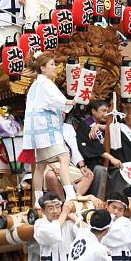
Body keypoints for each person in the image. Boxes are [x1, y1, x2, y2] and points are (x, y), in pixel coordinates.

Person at [21, 51, 75, 207]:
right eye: (52, 64)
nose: (54, 67)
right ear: (43, 68)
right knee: (64, 157)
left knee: (40, 166)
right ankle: (70, 193)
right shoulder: (45, 83)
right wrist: (72, 101)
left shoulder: (35, 85)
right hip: (47, 130)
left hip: (37, 133)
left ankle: (38, 200)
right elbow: (57, 100)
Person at [75, 100, 125, 197]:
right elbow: (92, 147)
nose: (106, 114)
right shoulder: (85, 126)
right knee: (100, 170)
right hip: (92, 165)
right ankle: (99, 200)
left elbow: (118, 130)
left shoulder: (105, 125)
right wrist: (111, 158)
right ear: (93, 111)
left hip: (111, 164)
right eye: (103, 111)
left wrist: (101, 126)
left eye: (107, 111)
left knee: (120, 171)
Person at [44, 119, 95, 199]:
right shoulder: (42, 128)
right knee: (51, 176)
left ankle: (71, 200)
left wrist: (82, 166)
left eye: (64, 113)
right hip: (48, 165)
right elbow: (40, 154)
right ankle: (62, 201)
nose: (62, 114)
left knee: (89, 175)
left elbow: (75, 148)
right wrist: (53, 167)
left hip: (67, 164)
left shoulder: (68, 127)